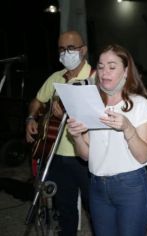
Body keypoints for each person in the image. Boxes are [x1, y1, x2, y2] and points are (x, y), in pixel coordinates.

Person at [67, 44, 147, 236]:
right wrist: (76, 137)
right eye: (100, 66)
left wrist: (127, 127)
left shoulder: (140, 105)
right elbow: (87, 156)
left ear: (126, 71)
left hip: (130, 187)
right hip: (97, 187)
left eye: (112, 67)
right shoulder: (92, 105)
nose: (104, 72)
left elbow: (142, 156)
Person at [25, 30, 94, 236]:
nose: (66, 53)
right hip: (56, 153)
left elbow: (101, 115)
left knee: (95, 208)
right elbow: (37, 101)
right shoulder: (56, 77)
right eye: (62, 49)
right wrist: (31, 118)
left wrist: (70, 110)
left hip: (86, 156)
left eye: (71, 48)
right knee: (65, 210)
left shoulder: (96, 77)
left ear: (83, 50)